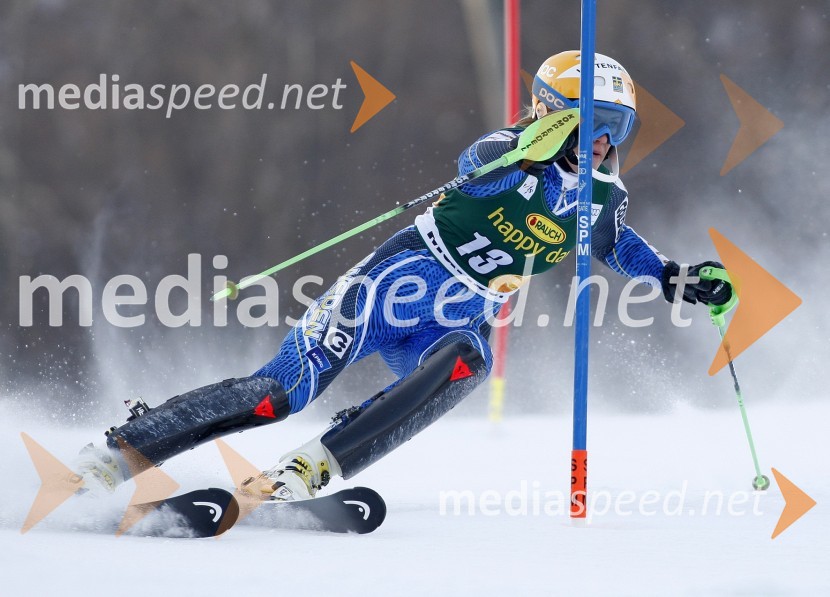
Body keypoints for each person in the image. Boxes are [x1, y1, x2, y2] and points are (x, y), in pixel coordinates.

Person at [75, 51, 732, 500]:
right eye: (589, 127)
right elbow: (479, 157)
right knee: (278, 394)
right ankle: (124, 448)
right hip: (391, 287)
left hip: (455, 318)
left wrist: (675, 277)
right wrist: (527, 152)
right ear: (551, 115)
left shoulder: (602, 195)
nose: (600, 145)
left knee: (470, 361)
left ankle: (317, 464)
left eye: (613, 132)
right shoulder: (511, 153)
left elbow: (614, 246)